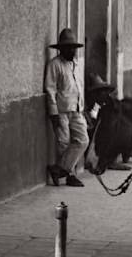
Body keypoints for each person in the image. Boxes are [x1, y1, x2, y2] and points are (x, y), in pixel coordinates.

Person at [44, 28, 87, 188]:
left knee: (83, 140)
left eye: (73, 47)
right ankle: (69, 175)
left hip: (76, 110)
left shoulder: (76, 64)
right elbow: (50, 89)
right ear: (61, 48)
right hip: (61, 111)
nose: (72, 50)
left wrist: (83, 106)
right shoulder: (55, 65)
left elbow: (79, 86)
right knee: (63, 143)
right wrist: (53, 112)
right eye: (68, 47)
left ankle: (58, 169)